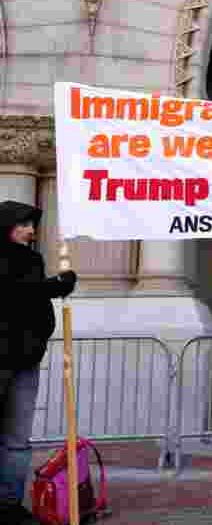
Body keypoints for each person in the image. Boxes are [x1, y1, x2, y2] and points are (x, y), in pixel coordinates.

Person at [1, 201, 76, 524]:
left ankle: (9, 504)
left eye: (33, 224)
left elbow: (31, 301)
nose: (32, 231)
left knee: (18, 438)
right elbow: (12, 294)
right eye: (24, 224)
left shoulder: (32, 259)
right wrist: (53, 287)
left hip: (25, 359)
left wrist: (38, 338)